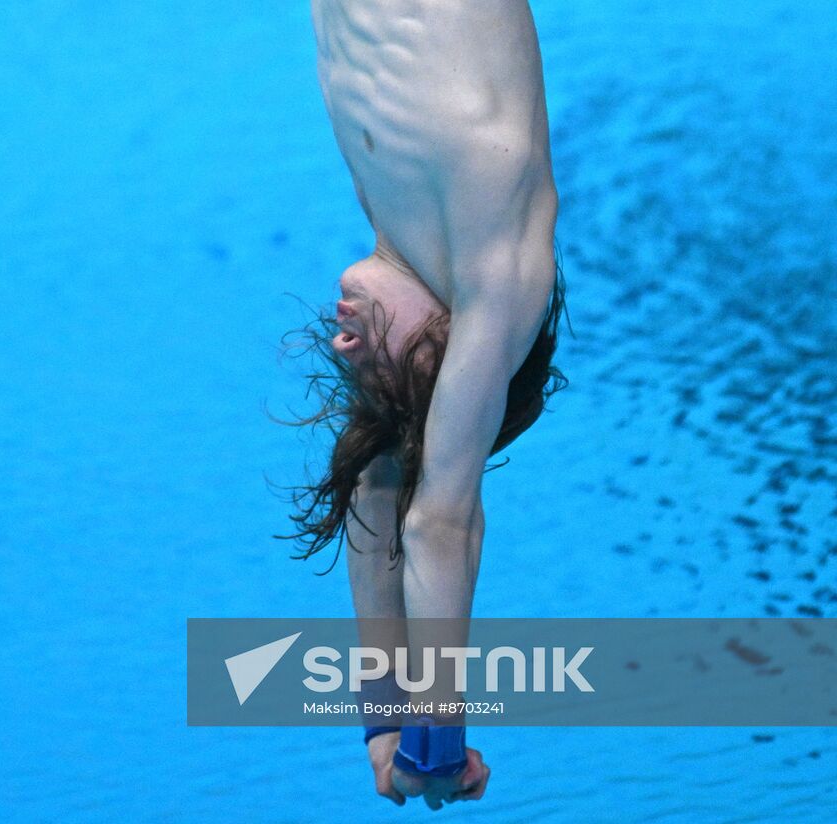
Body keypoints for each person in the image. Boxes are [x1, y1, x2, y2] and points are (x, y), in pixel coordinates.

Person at [287, 0, 569, 810]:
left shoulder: (403, 233)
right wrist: (435, 744)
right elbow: (440, 522)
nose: (342, 348)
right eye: (378, 379)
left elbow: (375, 490)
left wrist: (382, 728)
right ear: (442, 358)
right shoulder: (499, 272)